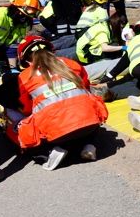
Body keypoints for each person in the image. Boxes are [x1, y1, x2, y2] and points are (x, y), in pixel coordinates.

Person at [9, 35, 107, 170]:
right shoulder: (70, 63)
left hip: (58, 134)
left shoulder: (25, 76)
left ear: (26, 60)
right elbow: (86, 86)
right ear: (51, 50)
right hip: (89, 125)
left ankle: (50, 152)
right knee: (86, 107)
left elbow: (26, 109)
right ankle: (89, 144)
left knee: (24, 127)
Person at [0, 0, 39, 69]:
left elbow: (12, 47)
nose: (25, 19)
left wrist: (13, 68)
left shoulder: (23, 24)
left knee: (5, 69)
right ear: (16, 9)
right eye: (23, 15)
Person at [75, 12, 127, 79]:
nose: (122, 29)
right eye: (121, 27)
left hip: (86, 47)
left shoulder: (104, 24)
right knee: (114, 54)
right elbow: (104, 48)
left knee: (115, 46)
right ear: (117, 24)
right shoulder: (103, 32)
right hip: (85, 54)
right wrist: (123, 47)